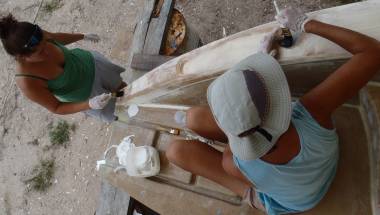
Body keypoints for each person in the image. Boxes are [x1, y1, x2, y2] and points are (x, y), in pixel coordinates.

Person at [165, 7, 380, 215]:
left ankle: (256, 191)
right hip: (317, 173)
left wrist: (238, 129)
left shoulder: (235, 163)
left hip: (290, 202)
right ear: (279, 101)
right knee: (195, 122)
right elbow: (372, 52)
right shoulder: (313, 112)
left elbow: (242, 153)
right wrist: (306, 24)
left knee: (179, 147)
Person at [0, 14, 127, 122]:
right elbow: (56, 107)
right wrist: (89, 104)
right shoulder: (27, 81)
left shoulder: (37, 37)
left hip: (93, 65)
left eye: (46, 43)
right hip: (88, 96)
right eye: (41, 52)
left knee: (125, 91)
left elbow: (56, 37)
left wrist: (82, 36)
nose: (48, 51)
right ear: (21, 57)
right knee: (123, 114)